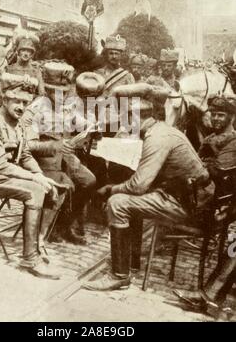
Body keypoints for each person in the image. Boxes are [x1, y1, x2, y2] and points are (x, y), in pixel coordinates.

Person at [82, 83, 210, 291]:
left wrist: (110, 190)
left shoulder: (157, 138)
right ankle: (129, 263)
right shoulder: (163, 131)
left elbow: (139, 185)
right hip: (188, 197)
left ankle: (119, 274)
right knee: (128, 200)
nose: (123, 125)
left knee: (118, 203)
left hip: (189, 206)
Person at [0, 72, 61, 279]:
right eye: (17, 101)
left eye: (26, 102)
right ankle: (29, 258)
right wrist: (34, 179)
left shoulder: (17, 123)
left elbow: (26, 155)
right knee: (35, 191)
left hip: (6, 175)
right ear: (4, 98)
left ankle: (38, 244)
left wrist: (39, 174)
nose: (21, 107)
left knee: (53, 187)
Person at [173, 94, 236, 319]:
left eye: (222, 114)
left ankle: (209, 296)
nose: (217, 119)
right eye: (214, 114)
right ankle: (212, 294)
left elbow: (218, 172)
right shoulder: (213, 137)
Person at [23, 62, 97, 245]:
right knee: (67, 184)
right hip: (42, 161)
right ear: (47, 90)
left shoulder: (66, 105)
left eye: (65, 91)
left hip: (64, 157)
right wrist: (55, 145)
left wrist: (90, 125)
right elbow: (26, 145)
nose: (63, 96)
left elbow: (77, 122)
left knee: (89, 181)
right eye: (58, 91)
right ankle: (49, 229)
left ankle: (64, 225)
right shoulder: (36, 109)